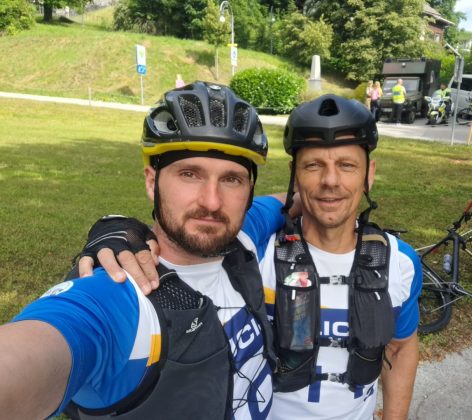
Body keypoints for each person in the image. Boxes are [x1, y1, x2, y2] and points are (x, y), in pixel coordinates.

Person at [77, 95, 422, 419]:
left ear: (369, 174)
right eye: (313, 165)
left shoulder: (401, 262)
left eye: (347, 165)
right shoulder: (250, 248)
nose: (330, 181)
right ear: (295, 175)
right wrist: (122, 231)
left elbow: (400, 347)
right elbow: (193, 228)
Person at [0, 82, 284, 419]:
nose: (212, 202)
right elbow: (33, 351)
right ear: (152, 181)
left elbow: (297, 201)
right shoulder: (120, 293)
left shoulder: (244, 234)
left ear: (249, 191)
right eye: (189, 174)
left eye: (232, 179)